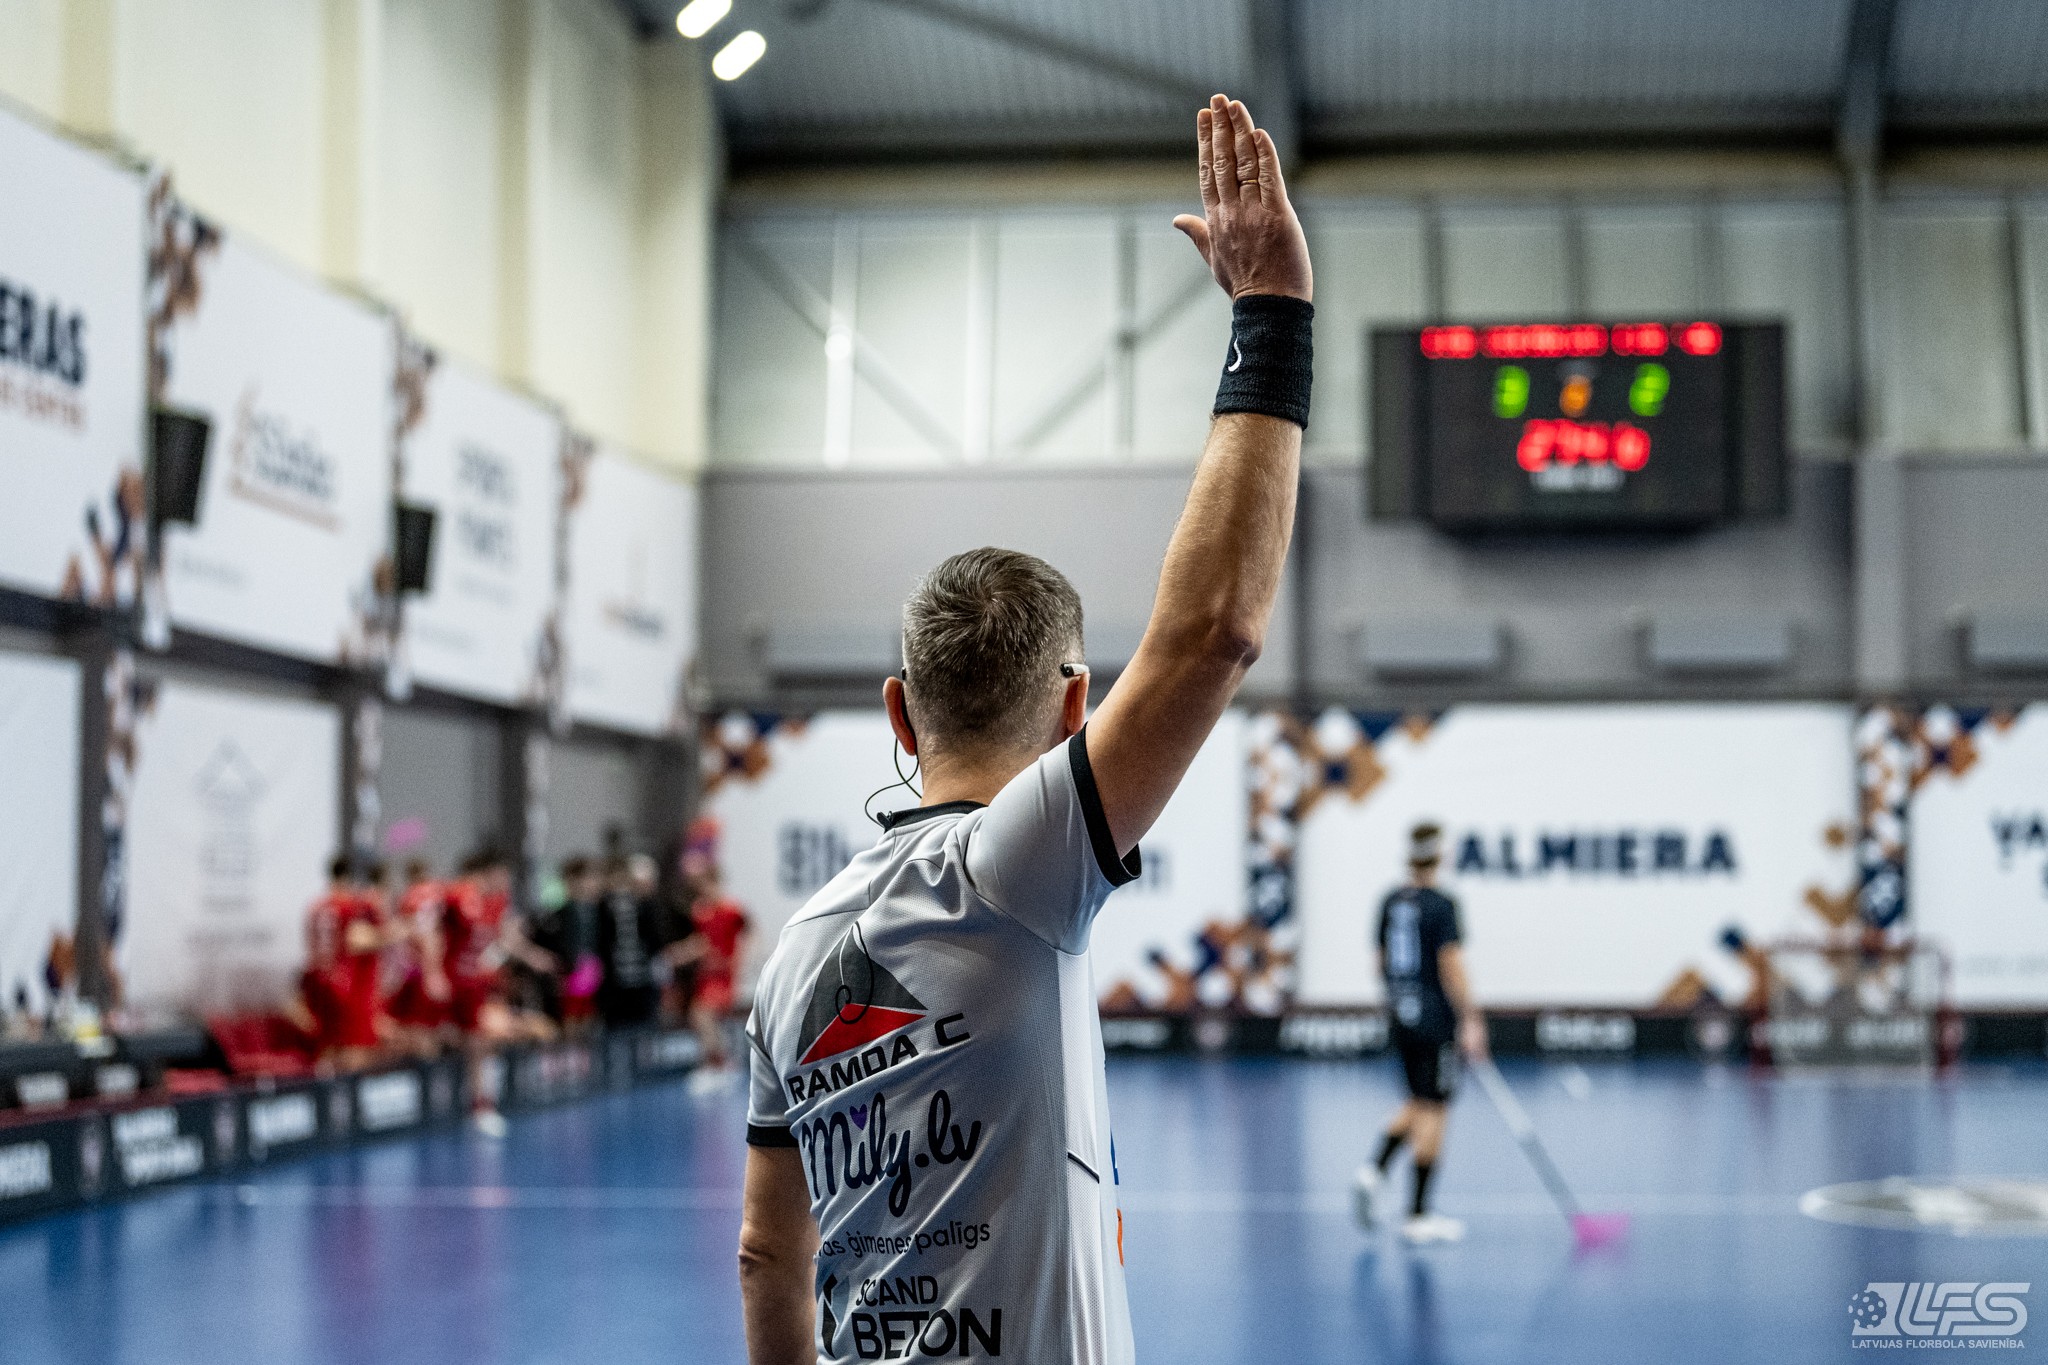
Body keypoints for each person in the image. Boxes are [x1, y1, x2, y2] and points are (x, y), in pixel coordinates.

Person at [738, 93, 1311, 1365]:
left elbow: (766, 1256)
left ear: (898, 711)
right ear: (1071, 709)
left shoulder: (793, 956)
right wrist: (1270, 319)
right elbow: (1212, 632)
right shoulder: (1012, 870)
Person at [1352, 822, 1488, 1245]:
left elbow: (1380, 963)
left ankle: (1374, 1169)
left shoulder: (1391, 901)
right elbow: (1451, 964)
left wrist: (1401, 1001)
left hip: (1401, 1013)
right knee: (1434, 1109)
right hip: (1435, 1018)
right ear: (1439, 856)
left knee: (1416, 1099)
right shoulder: (1442, 904)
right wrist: (1470, 1018)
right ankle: (1417, 1214)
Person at [680, 867, 751, 1077]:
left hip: (723, 978)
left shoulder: (731, 910)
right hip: (706, 976)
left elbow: (750, 935)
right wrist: (682, 953)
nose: (705, 891)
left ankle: (719, 1062)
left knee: (701, 1014)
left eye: (708, 886)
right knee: (699, 1016)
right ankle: (716, 1061)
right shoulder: (700, 912)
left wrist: (740, 961)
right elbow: (701, 942)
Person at [597, 853, 668, 1029]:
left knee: (643, 1023)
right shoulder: (603, 906)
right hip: (615, 980)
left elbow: (655, 938)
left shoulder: (645, 905)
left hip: (643, 977)